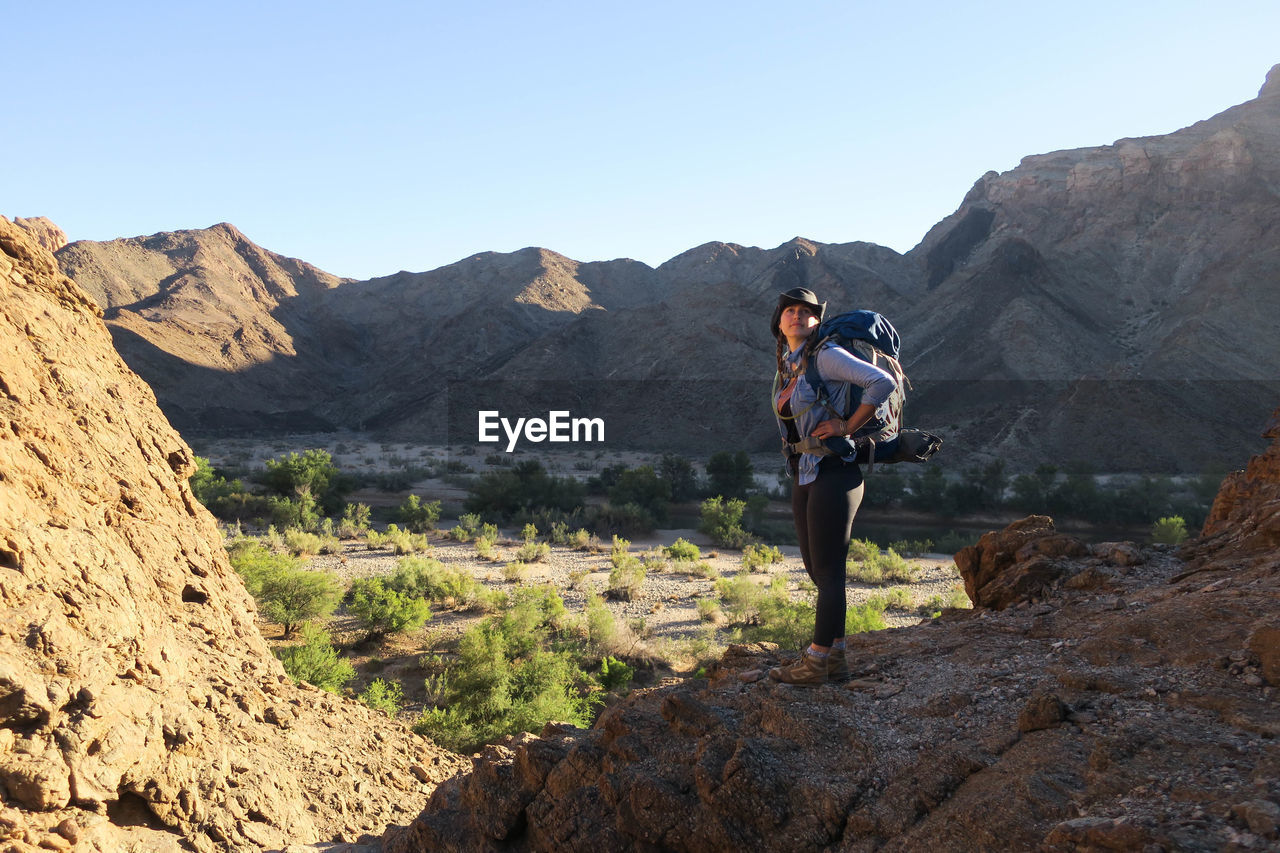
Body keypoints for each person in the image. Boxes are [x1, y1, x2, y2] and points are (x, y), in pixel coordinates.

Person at [769, 287, 896, 685]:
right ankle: (836, 656)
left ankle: (816, 661)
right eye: (789, 310)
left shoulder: (825, 356)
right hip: (805, 471)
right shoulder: (787, 365)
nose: (796, 316)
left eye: (805, 311)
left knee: (829, 573)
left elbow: (882, 383)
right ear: (779, 322)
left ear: (816, 321)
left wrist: (846, 425)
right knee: (816, 569)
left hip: (834, 471)